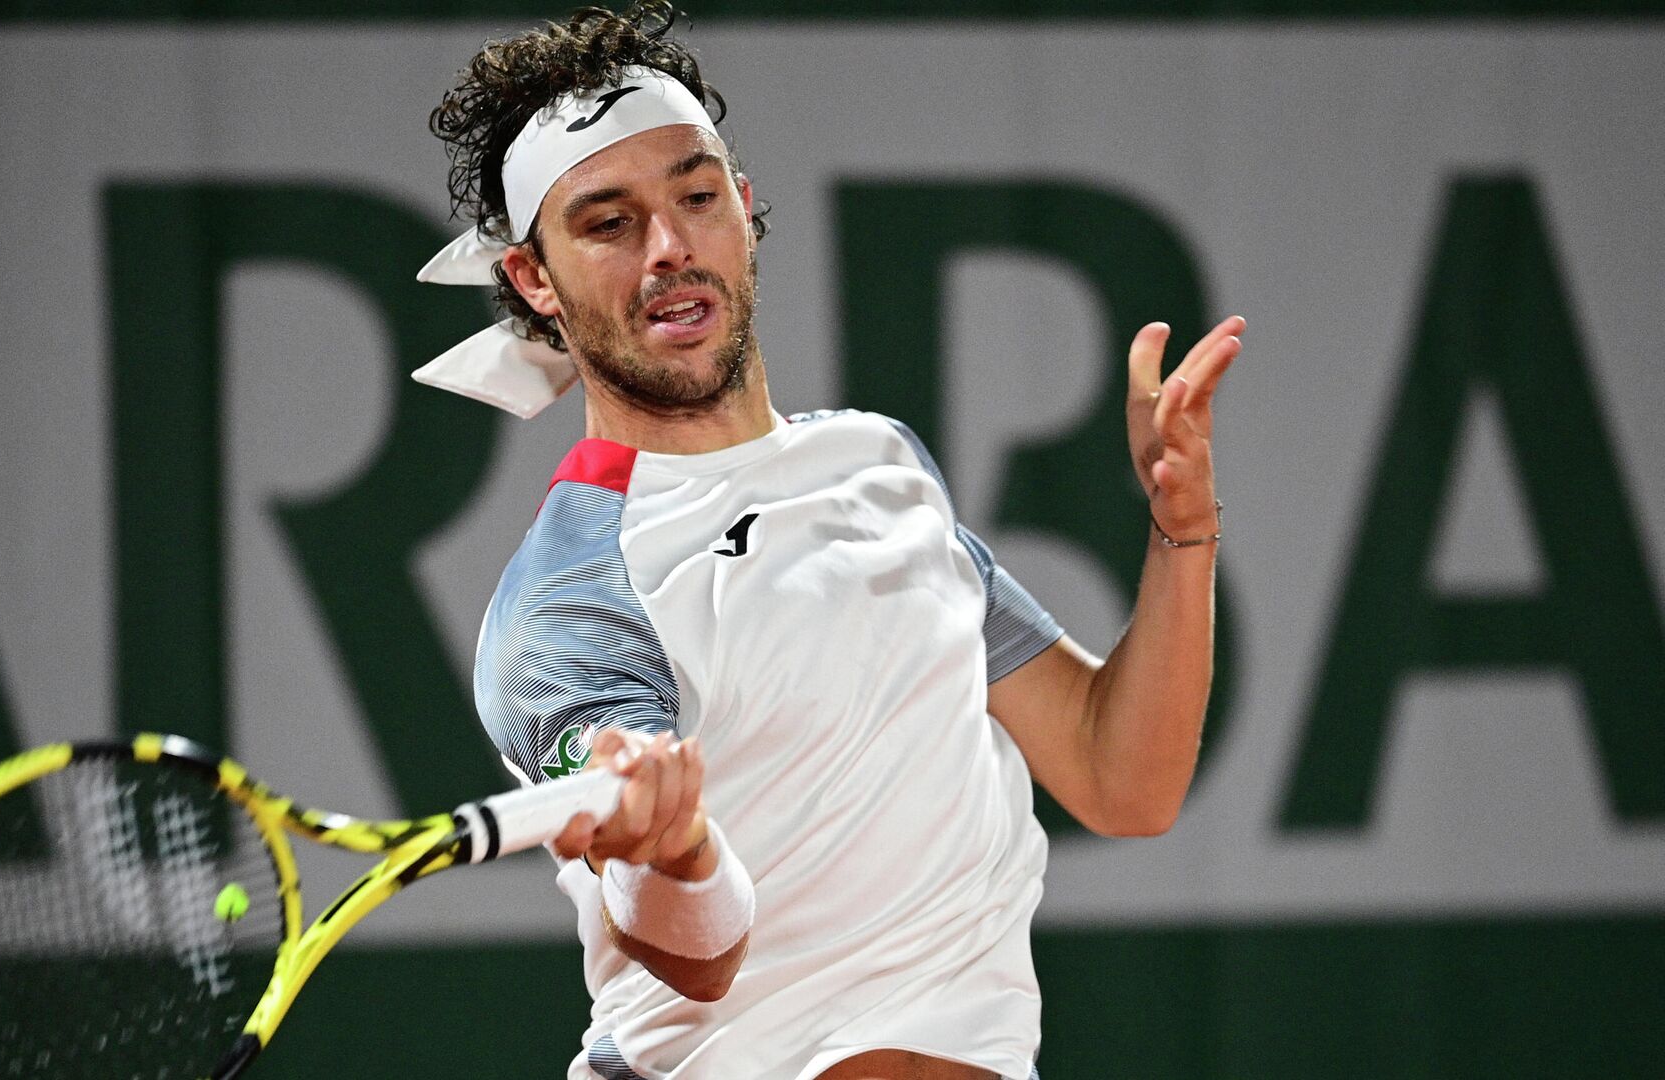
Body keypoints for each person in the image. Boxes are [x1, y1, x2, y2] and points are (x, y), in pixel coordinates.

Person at [414, 5, 1242, 1078]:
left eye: (696, 197)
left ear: (746, 208)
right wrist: (674, 847)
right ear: (535, 282)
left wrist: (1183, 536)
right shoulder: (565, 608)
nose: (669, 248)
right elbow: (698, 959)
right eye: (608, 223)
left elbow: (1120, 776)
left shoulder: (878, 464)